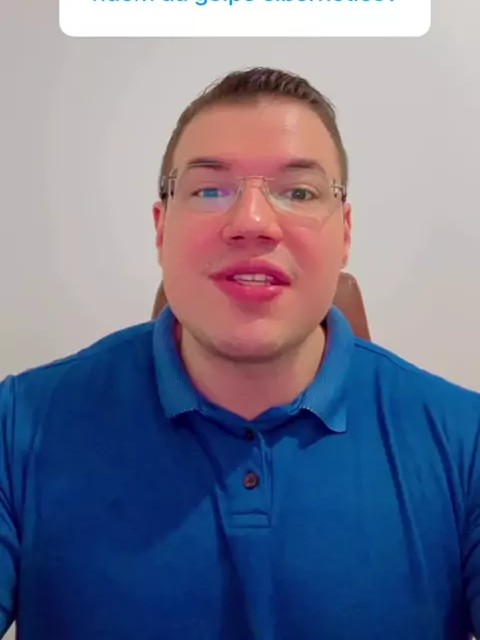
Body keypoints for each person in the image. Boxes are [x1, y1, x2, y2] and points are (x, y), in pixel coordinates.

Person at [1, 66, 480, 640]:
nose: (252, 223)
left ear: (345, 233)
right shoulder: (19, 425)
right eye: (210, 190)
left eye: (298, 192)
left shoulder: (466, 441)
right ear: (161, 228)